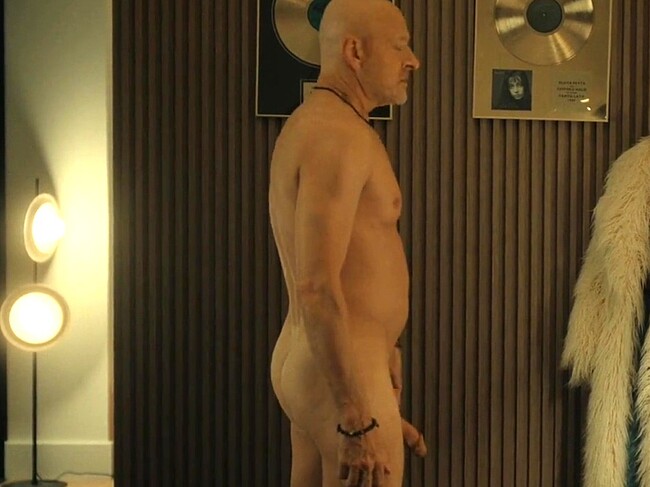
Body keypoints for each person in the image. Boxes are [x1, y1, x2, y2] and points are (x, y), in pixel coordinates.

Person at [268, 0, 423, 485]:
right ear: (355, 52)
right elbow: (316, 284)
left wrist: (384, 356)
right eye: (399, 46)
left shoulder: (317, 124)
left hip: (321, 362)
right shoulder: (338, 137)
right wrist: (357, 416)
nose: (413, 60)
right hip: (342, 370)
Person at [561, 136, 650, 486]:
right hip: (630, 344)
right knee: (625, 453)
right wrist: (584, 341)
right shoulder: (633, 171)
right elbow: (601, 265)